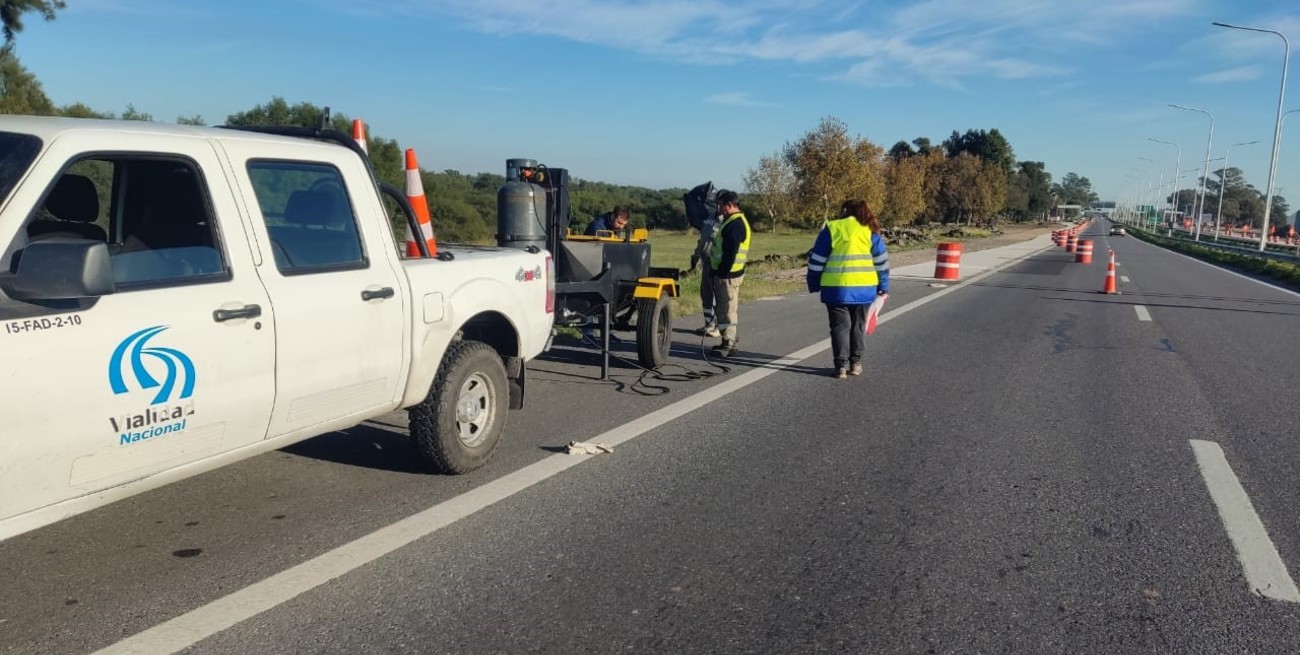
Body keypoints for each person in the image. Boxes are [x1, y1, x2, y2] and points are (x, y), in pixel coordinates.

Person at [807, 199, 890, 379]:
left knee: (839, 327)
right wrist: (883, 286)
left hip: (835, 289)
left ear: (845, 210)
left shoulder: (832, 228)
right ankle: (856, 363)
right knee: (858, 326)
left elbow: (817, 260)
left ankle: (840, 367)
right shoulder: (870, 231)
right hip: (864, 289)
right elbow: (882, 263)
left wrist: (813, 283)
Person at [709, 190, 751, 357]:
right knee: (725, 309)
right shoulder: (733, 221)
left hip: (728, 276)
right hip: (728, 274)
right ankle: (726, 342)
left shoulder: (735, 224)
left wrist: (721, 273)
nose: (719, 209)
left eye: (721, 206)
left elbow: (730, 253)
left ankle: (729, 345)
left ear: (729, 205)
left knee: (728, 310)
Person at [692, 210, 721, 337]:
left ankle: (717, 325)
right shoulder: (709, 217)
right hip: (706, 260)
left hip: (717, 262)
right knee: (706, 293)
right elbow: (704, 237)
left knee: (717, 294)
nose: (719, 206)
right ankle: (708, 323)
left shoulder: (724, 220)